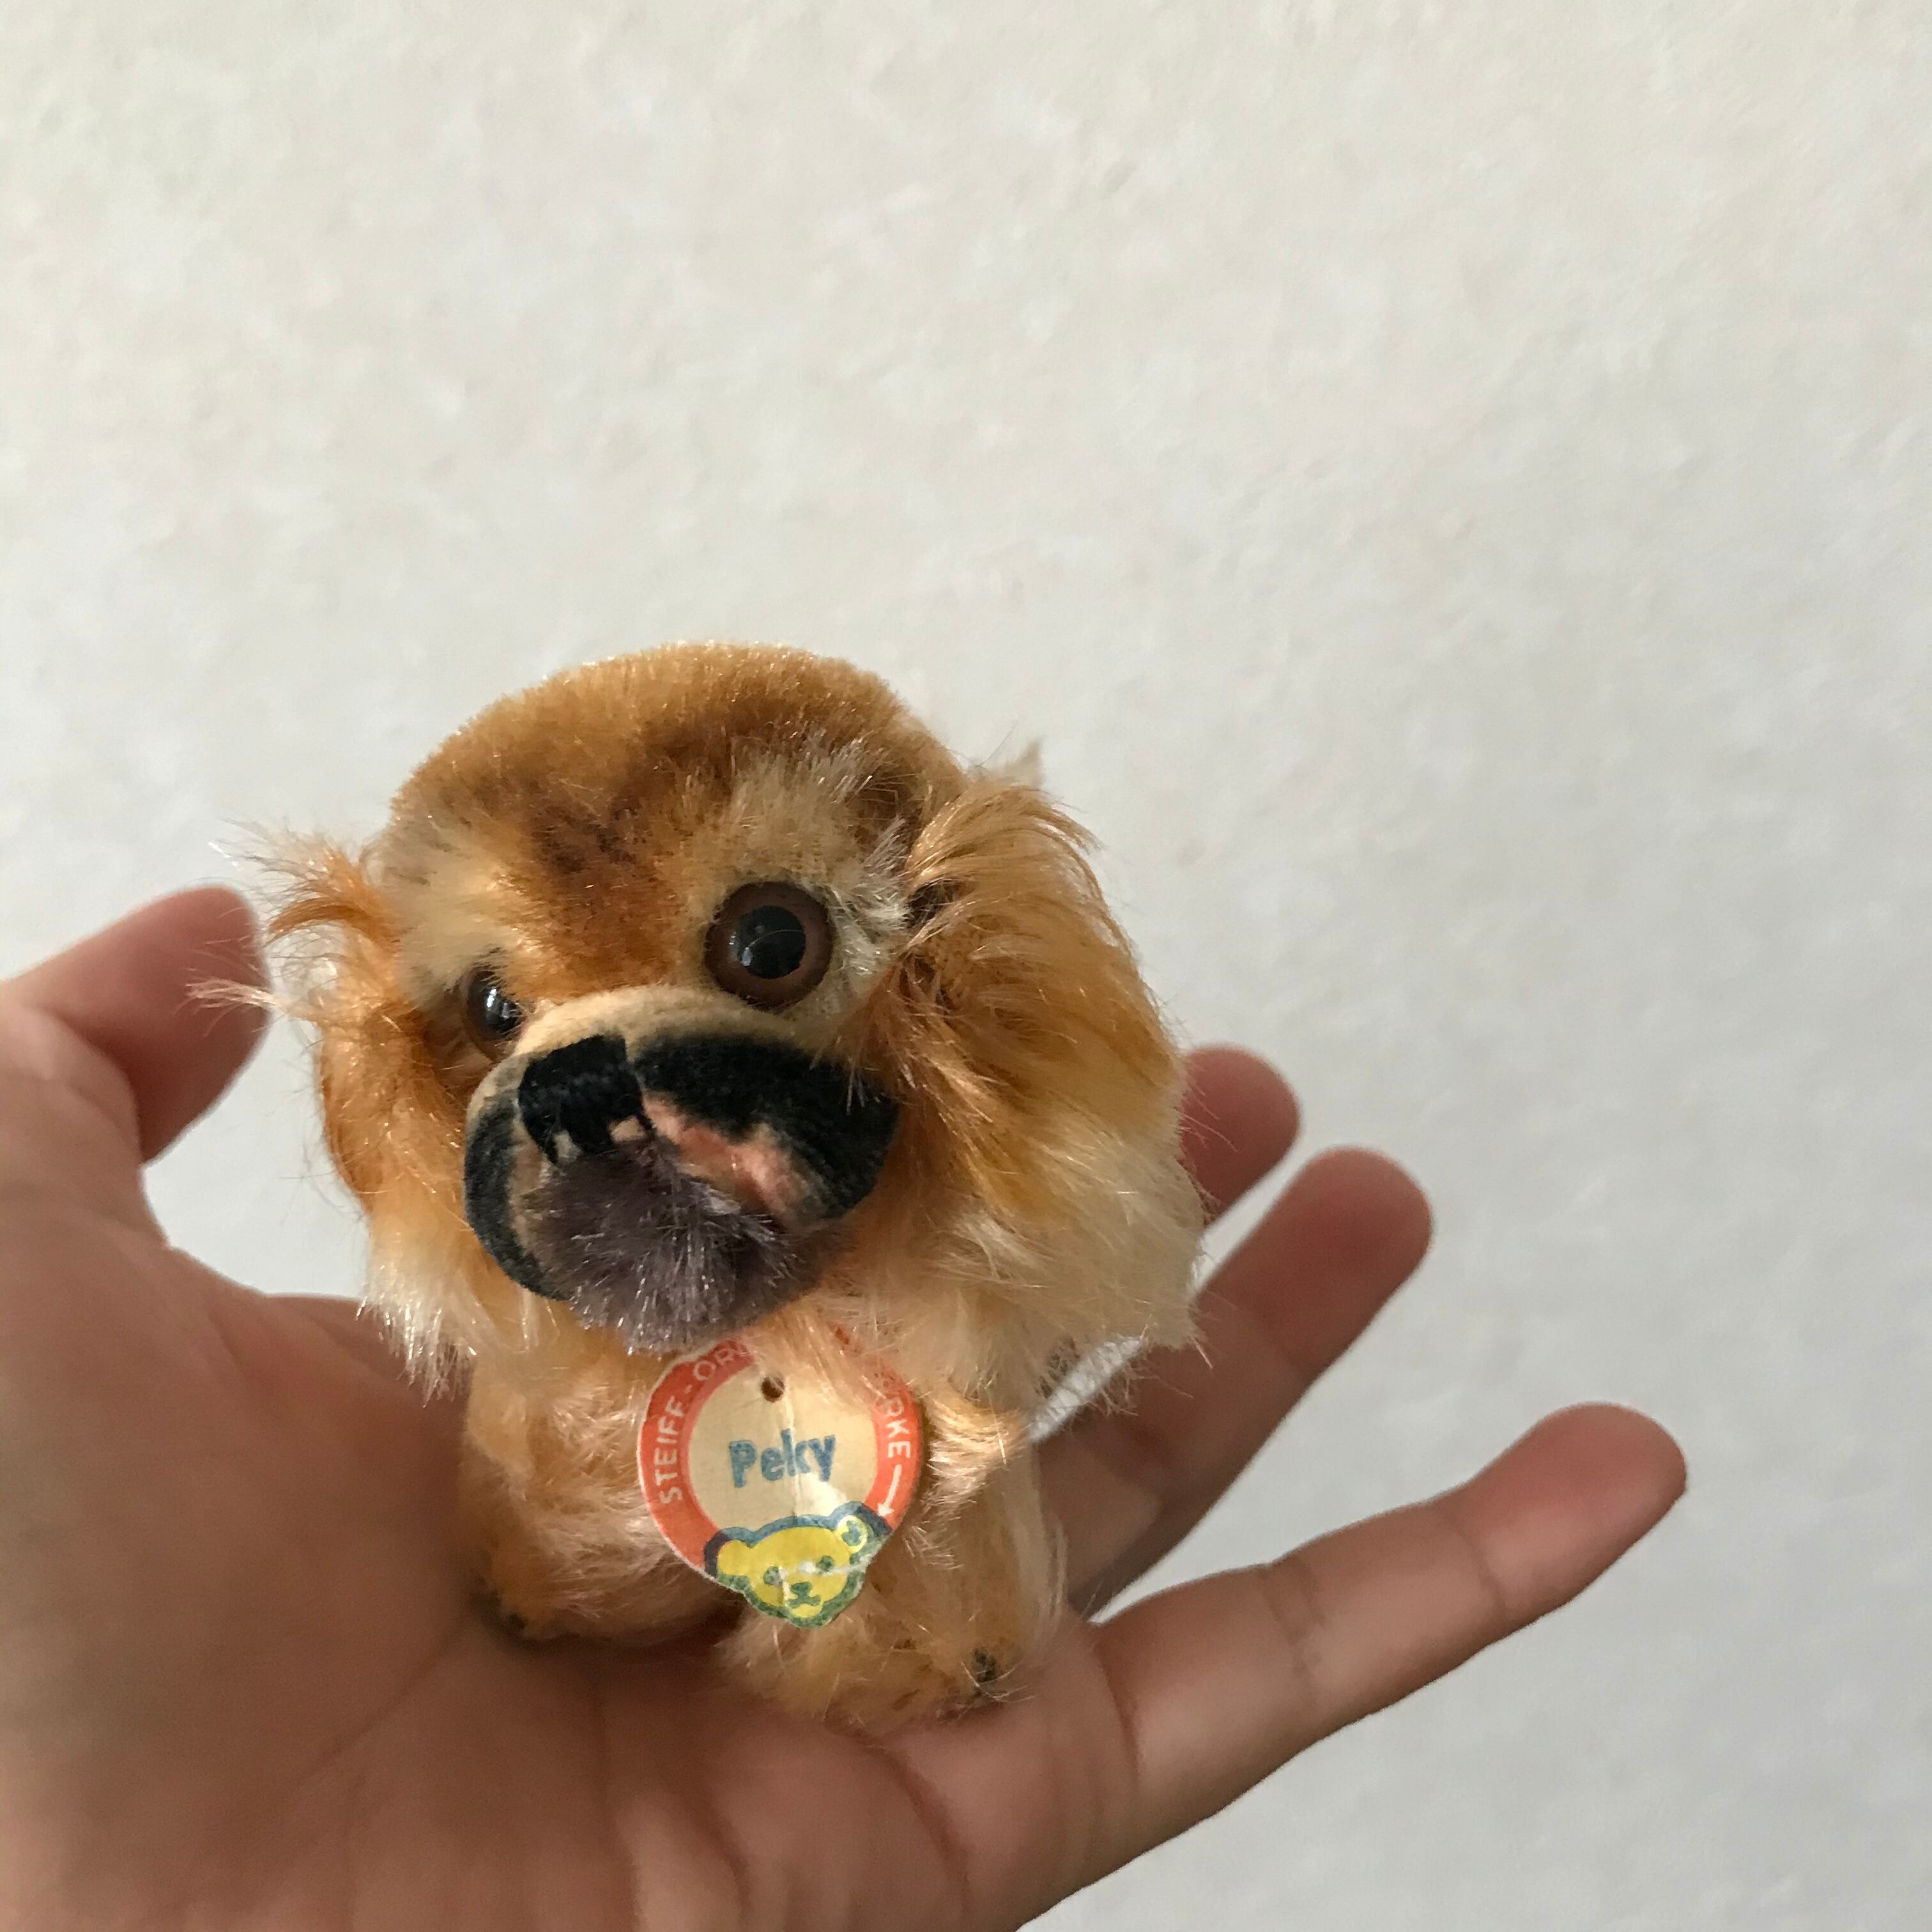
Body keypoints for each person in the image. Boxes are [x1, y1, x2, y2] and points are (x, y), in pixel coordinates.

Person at [0, 887, 1683, 1929]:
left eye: (767, 946)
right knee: (563, 1490)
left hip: (888, 1392)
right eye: (502, 1006)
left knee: (938, 1514)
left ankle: (904, 1617)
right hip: (572, 1454)